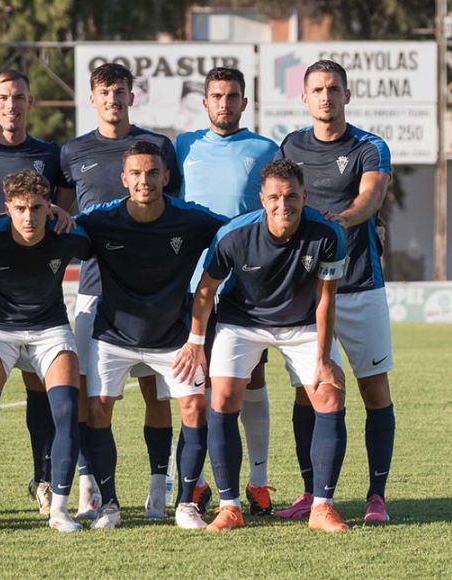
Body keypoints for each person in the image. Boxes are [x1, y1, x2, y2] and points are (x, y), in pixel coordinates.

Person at [175, 158, 350, 533]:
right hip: (243, 323)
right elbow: (205, 292)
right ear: (262, 199)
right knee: (221, 399)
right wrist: (195, 342)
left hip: (302, 324)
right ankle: (229, 506)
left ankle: (322, 507)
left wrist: (322, 359)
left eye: (290, 196)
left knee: (330, 394)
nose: (282, 205)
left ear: (304, 196)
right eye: (274, 197)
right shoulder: (233, 235)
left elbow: (325, 299)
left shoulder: (328, 235)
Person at [75, 141, 225, 530]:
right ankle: (108, 504)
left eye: (153, 173)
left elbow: (235, 235)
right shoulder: (99, 220)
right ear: (124, 179)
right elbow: (59, 233)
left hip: (174, 337)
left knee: (194, 408)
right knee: (97, 410)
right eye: (137, 174)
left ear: (167, 177)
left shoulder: (191, 219)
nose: (145, 181)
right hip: (113, 335)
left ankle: (185, 504)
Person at [60, 63, 183, 520]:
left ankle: (158, 486)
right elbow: (59, 214)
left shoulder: (156, 149)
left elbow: (177, 217)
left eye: (120, 91)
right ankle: (91, 490)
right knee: (92, 397)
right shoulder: (72, 152)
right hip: (95, 292)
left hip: (156, 296)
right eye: (105, 91)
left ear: (134, 96)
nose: (113, 98)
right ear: (92, 98)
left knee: (157, 395)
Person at [275, 60, 395, 524]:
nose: (326, 96)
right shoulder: (291, 145)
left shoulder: (369, 146)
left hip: (361, 284)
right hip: (306, 290)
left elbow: (371, 198)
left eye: (334, 89)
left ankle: (376, 497)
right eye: (318, 89)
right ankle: (311, 493)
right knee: (312, 391)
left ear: (348, 95)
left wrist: (333, 226)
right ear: (304, 98)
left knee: (373, 389)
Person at [0, 69, 75, 515]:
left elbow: (64, 211)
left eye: (19, 97)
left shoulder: (50, 154)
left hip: (39, 292)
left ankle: (43, 479)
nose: (11, 105)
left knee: (41, 389)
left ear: (30, 103)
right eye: (3, 97)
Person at [175, 67, 279, 515]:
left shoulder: (264, 149)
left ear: (244, 102)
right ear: (204, 102)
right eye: (216, 95)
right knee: (194, 384)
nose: (224, 103)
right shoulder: (182, 147)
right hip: (196, 285)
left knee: (250, 380)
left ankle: (257, 482)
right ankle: (195, 483)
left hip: (247, 286)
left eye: (232, 96)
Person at [0, 170, 90, 533]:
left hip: (50, 329)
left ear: (48, 207)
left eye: (36, 208)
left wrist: (71, 217)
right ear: (7, 209)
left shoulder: (68, 235)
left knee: (66, 409)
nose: (29, 217)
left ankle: (60, 510)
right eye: (20, 208)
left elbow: (99, 245)